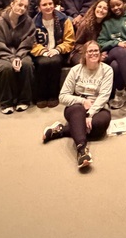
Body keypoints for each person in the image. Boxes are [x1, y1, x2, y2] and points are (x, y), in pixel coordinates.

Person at [41, 40, 113, 169]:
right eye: (90, 51)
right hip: (77, 106)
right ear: (84, 54)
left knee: (100, 124)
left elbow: (104, 96)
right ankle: (82, 150)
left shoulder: (107, 70)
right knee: (79, 113)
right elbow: (63, 96)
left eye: (96, 50)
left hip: (98, 107)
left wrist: (90, 114)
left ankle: (61, 130)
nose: (93, 53)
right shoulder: (76, 70)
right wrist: (82, 101)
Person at [0, 0, 37, 114]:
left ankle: (24, 100)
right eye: (20, 5)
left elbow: (27, 42)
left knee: (27, 65)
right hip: (4, 55)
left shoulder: (29, 22)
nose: (22, 8)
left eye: (25, 6)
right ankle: (6, 102)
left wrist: (18, 57)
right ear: (12, 4)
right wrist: (12, 58)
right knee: (5, 68)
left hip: (22, 53)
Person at [31, 0, 75, 108]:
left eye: (50, 4)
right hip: (41, 52)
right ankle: (41, 96)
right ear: (39, 7)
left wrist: (58, 49)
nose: (48, 7)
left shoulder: (64, 20)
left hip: (59, 51)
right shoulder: (34, 22)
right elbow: (31, 42)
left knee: (55, 61)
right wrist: (43, 51)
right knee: (43, 62)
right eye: (44, 5)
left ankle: (53, 95)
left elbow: (70, 40)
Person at [71, 0, 111, 65]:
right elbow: (77, 44)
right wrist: (91, 52)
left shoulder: (107, 25)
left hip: (99, 52)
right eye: (99, 7)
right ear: (95, 8)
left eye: (105, 8)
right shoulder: (85, 24)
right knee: (87, 63)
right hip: (81, 52)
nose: (101, 10)